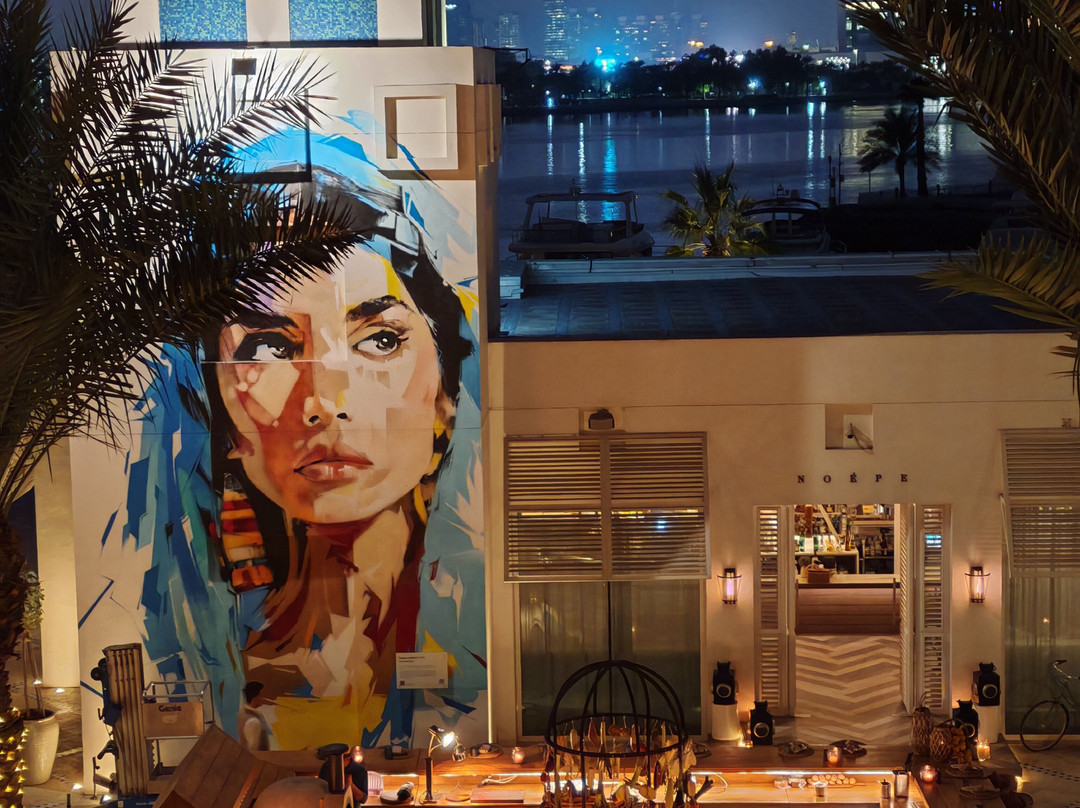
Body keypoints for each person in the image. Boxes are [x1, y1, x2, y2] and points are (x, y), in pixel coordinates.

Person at [199, 166, 475, 749]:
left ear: (444, 400)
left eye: (380, 340)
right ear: (224, 410)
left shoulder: (472, 626)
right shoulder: (210, 645)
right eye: (269, 348)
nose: (325, 401)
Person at [238, 680, 272, 751]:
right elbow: (253, 750)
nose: (264, 697)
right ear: (255, 698)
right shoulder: (253, 721)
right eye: (262, 695)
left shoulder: (242, 713)